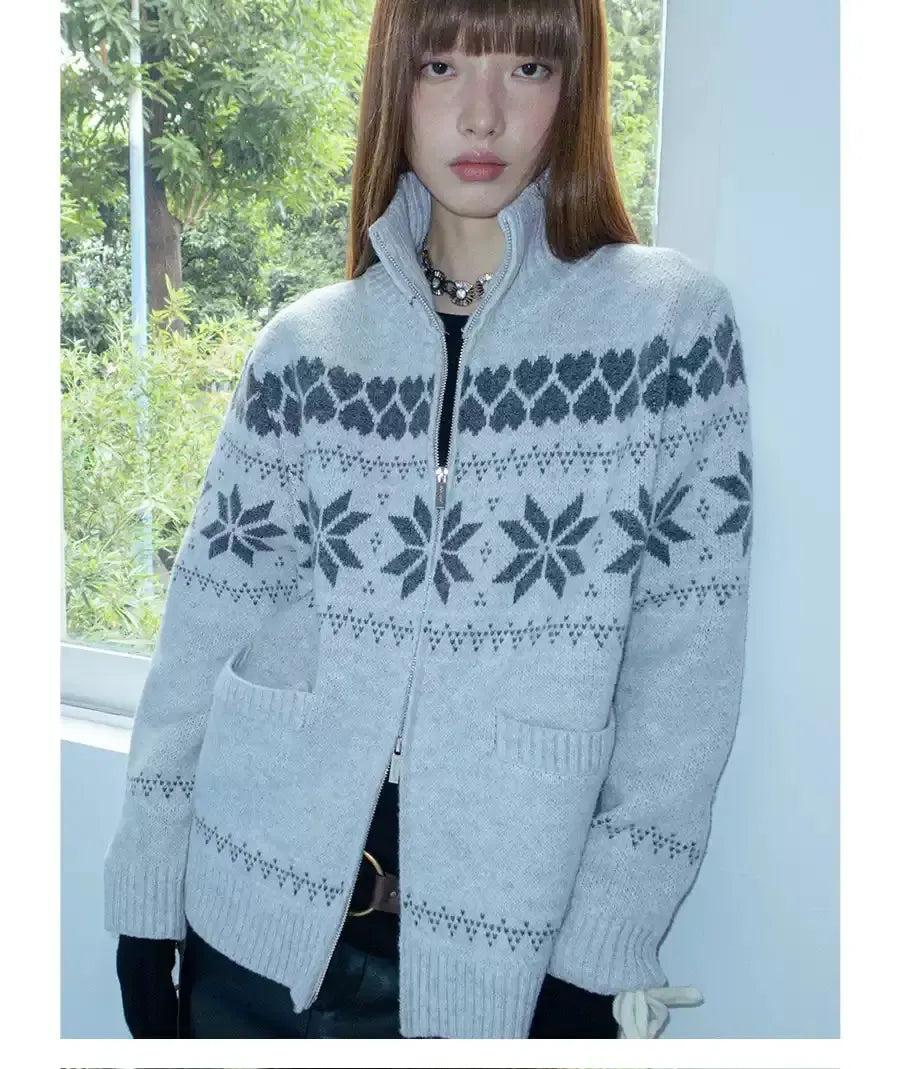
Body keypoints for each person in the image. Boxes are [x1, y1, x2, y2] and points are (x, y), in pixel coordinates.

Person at [106, 0, 753, 1040]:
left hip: (503, 961)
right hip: (248, 924)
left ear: (577, 88)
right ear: (392, 86)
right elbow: (203, 630)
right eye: (441, 66)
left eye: (529, 69)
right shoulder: (307, 347)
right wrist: (147, 886)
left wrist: (602, 948)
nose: (482, 115)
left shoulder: (669, 331)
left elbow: (686, 680)